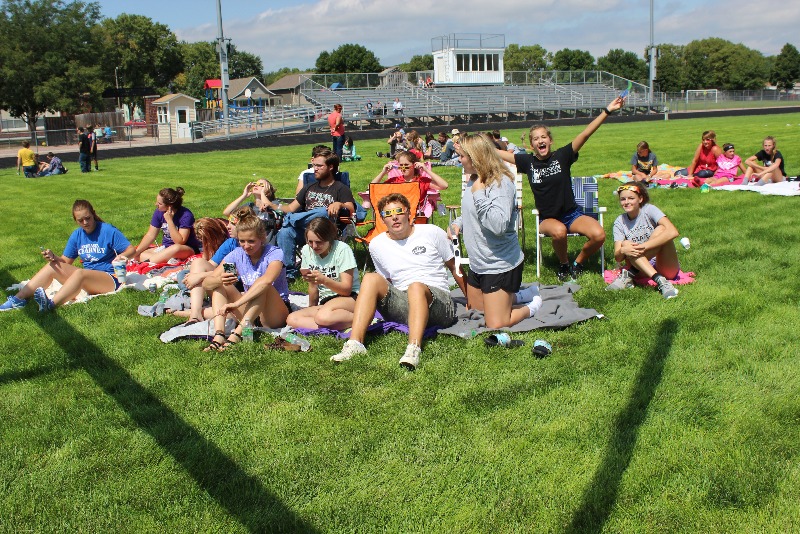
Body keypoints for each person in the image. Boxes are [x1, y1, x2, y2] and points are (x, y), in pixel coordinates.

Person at [330, 193, 467, 370]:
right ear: (382, 219)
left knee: (416, 287)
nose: (394, 217)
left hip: (439, 305)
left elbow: (455, 267)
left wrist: (469, 299)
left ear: (409, 213)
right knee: (371, 277)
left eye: (398, 211)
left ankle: (413, 349)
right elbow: (385, 282)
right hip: (403, 304)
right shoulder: (377, 245)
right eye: (388, 214)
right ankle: (355, 343)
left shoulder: (432, 232)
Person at [498, 97, 624, 281]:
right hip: (548, 218)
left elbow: (586, 134)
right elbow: (496, 153)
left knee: (599, 235)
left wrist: (608, 110)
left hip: (571, 215)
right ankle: (564, 264)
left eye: (543, 137)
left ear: (550, 140)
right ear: (531, 145)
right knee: (559, 231)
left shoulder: (562, 156)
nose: (540, 141)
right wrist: (473, 144)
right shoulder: (527, 162)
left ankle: (577, 263)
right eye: (535, 139)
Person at [449, 134, 542, 329]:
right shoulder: (474, 179)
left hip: (499, 264)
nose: (459, 160)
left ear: (476, 158)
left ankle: (532, 305)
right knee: (474, 310)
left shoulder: (500, 184)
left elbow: (498, 227)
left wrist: (480, 193)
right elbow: (471, 211)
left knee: (495, 323)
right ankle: (518, 296)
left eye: (462, 156)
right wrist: (458, 223)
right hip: (478, 263)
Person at [0, 200, 135, 312]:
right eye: (80, 220)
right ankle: (18, 299)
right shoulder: (77, 235)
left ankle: (50, 305)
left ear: (93, 214)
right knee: (52, 266)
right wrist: (53, 257)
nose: (85, 223)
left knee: (81, 273)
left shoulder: (107, 230)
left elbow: (131, 250)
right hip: (87, 277)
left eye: (87, 218)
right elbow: (65, 261)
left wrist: (121, 256)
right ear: (75, 220)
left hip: (110, 278)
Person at [201, 212, 290, 351]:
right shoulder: (237, 254)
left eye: (251, 241)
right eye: (242, 241)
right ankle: (219, 334)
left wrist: (236, 303)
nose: (246, 246)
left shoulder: (274, 253)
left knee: (263, 285)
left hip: (274, 312)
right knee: (220, 284)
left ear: (262, 238)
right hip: (250, 310)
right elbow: (207, 283)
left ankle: (237, 334)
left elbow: (267, 281)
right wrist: (219, 279)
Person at [274, 149, 356, 280]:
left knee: (323, 211)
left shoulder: (340, 188)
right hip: (306, 231)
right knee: (285, 232)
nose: (315, 169)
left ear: (330, 167)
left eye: (319, 166)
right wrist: (271, 204)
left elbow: (351, 209)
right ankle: (288, 273)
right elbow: (290, 207)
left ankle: (290, 220)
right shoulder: (309, 187)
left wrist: (340, 204)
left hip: (326, 231)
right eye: (314, 165)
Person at [606, 182, 680, 299]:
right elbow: (618, 257)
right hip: (641, 267)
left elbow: (673, 232)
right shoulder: (620, 221)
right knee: (625, 244)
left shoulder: (649, 210)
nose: (626, 202)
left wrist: (643, 247)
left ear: (640, 199)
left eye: (631, 198)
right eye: (623, 199)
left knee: (661, 229)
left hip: (664, 264)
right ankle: (661, 281)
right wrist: (624, 250)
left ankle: (629, 274)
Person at [286, 217, 361, 330]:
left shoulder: (342, 249)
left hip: (350, 298)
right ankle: (333, 324)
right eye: (310, 242)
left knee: (322, 317)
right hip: (326, 301)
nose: (314, 246)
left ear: (330, 238)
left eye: (319, 242)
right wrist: (311, 309)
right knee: (292, 319)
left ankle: (363, 319)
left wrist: (324, 280)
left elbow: (346, 289)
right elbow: (313, 287)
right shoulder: (307, 250)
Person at [175, 215, 240, 324]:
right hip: (223, 283)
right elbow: (209, 265)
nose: (228, 227)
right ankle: (195, 314)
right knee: (196, 264)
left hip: (238, 291)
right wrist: (197, 274)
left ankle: (189, 312)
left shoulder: (251, 247)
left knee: (231, 314)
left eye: (232, 224)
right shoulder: (231, 243)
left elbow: (235, 273)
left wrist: (200, 276)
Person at [132, 187, 202, 264]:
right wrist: (137, 251)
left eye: (159, 203)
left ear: (170, 206)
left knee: (176, 248)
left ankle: (148, 262)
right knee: (140, 254)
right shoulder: (159, 212)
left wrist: (169, 221)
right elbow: (150, 235)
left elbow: (180, 241)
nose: (156, 204)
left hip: (186, 249)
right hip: (165, 249)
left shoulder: (186, 215)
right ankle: (164, 260)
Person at [371, 150, 449, 200]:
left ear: (414, 165)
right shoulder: (395, 181)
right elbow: (371, 188)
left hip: (417, 217)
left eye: (406, 165)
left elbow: (444, 185)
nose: (403, 168)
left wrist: (426, 170)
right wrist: (383, 173)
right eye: (401, 165)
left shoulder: (422, 181)